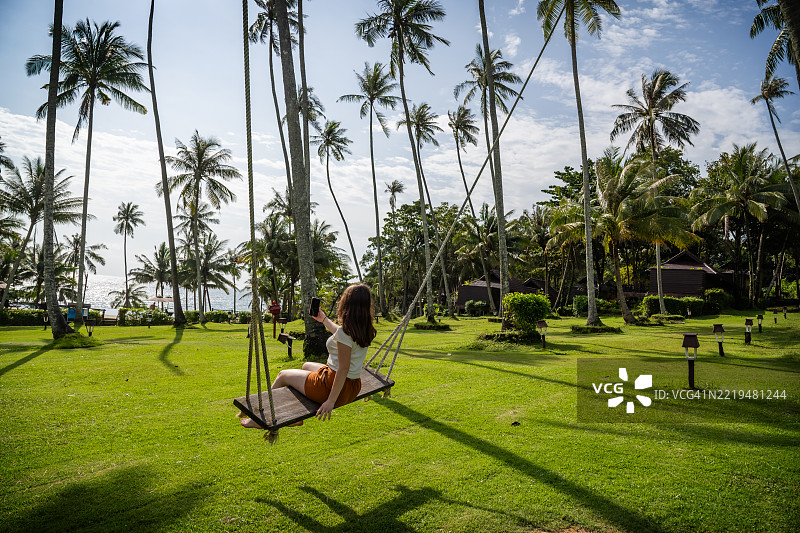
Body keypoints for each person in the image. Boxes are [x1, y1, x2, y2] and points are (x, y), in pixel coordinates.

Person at [241, 283, 377, 428]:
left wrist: (330, 401)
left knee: (282, 375)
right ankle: (293, 414)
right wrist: (323, 319)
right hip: (353, 387)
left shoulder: (345, 333)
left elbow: (343, 368)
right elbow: (342, 334)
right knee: (306, 366)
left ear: (347, 304)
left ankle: (259, 418)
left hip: (332, 388)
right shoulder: (364, 330)